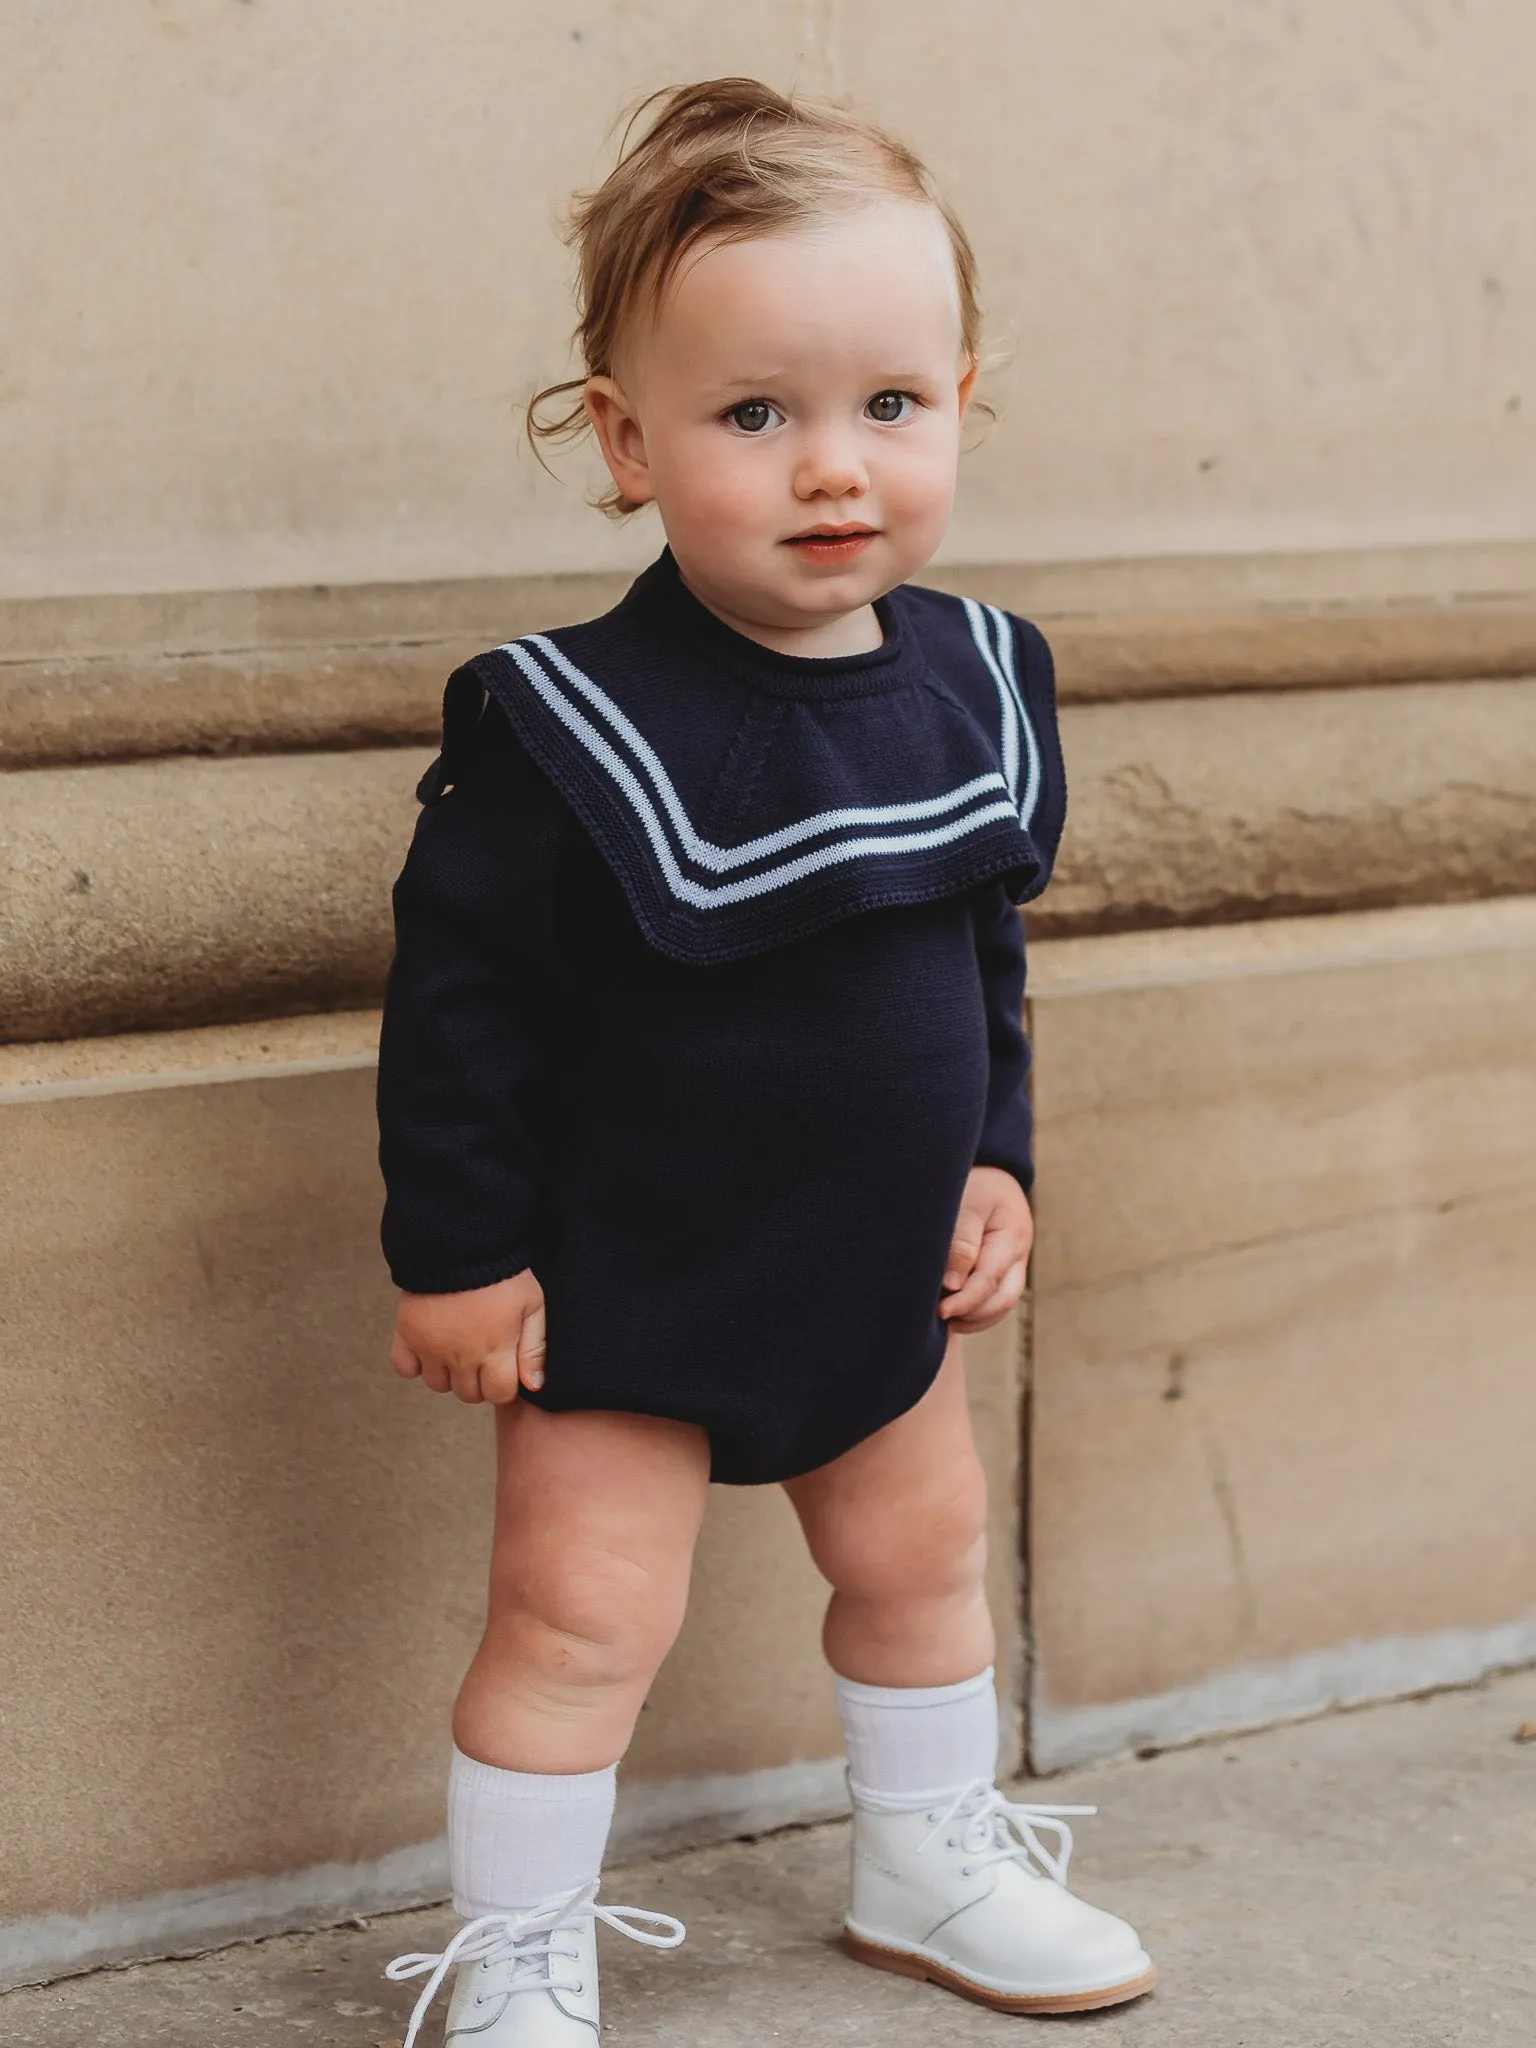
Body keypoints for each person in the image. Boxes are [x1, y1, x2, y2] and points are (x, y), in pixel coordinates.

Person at [375, 76, 1156, 2046]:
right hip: (628, 1274)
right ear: (627, 445)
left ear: (965, 394)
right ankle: (520, 1949)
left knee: (924, 1555)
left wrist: (996, 1156)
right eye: (756, 416)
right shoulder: (562, 722)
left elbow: (979, 944)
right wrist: (458, 1254)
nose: (836, 469)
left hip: (876, 1258)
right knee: (578, 1618)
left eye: (890, 406)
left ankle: (928, 1847)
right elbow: (460, 1009)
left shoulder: (982, 678)